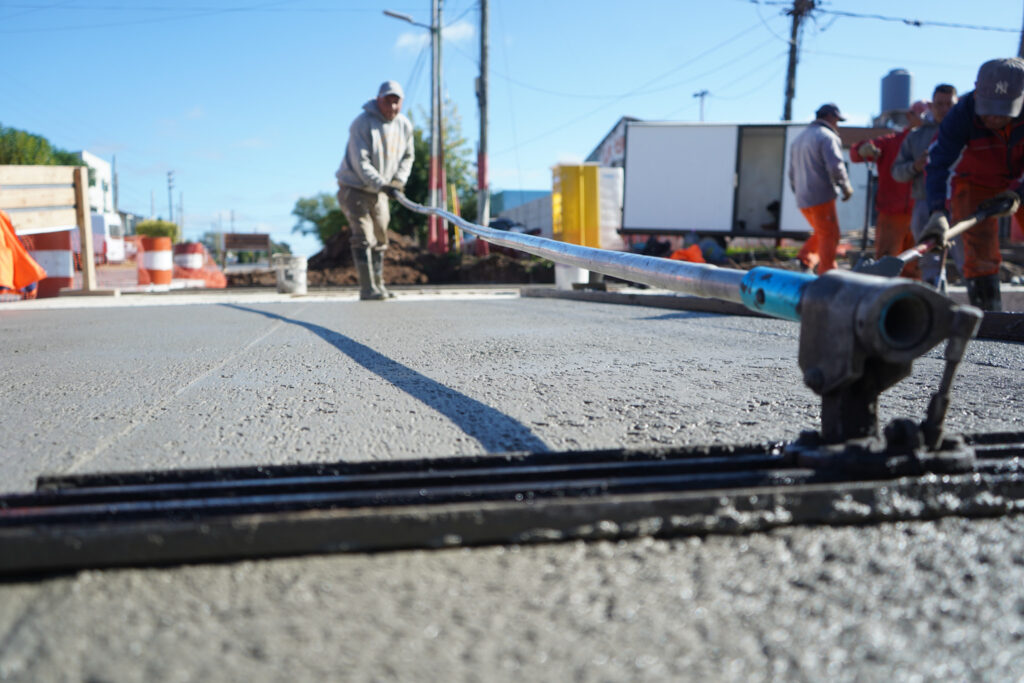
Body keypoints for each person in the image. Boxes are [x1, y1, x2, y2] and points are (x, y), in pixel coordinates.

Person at [924, 58, 1024, 311]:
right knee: (979, 254)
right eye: (989, 109)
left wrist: (1019, 192)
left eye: (1003, 110)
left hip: (1020, 178)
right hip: (976, 182)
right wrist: (937, 211)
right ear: (977, 91)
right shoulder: (961, 114)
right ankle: (990, 319)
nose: (994, 117)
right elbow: (938, 164)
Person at [336, 80, 415, 300]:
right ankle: (367, 288)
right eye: (388, 101)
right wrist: (383, 184)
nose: (392, 107)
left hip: (381, 191)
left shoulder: (404, 125)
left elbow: (408, 157)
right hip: (355, 188)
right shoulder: (362, 123)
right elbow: (361, 163)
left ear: (402, 102)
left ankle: (379, 285)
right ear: (378, 100)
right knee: (363, 235)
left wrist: (398, 181)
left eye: (396, 102)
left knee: (381, 236)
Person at [891, 84, 962, 287]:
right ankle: (933, 295)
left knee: (968, 256)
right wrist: (915, 166)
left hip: (961, 203)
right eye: (939, 104)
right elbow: (897, 172)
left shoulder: (967, 132)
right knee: (929, 258)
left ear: (957, 104)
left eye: (949, 104)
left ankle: (981, 301)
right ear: (931, 106)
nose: (944, 109)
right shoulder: (916, 137)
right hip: (925, 203)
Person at [849, 101, 926, 278]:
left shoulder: (934, 142)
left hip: (920, 213)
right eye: (922, 116)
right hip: (893, 214)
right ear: (910, 117)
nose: (925, 121)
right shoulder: (891, 142)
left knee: (916, 265)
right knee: (886, 263)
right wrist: (862, 149)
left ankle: (911, 294)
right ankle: (884, 293)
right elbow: (855, 153)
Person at [788, 103, 854, 274]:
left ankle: (805, 260)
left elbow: (792, 173)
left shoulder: (799, 139)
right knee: (830, 234)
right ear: (830, 117)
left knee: (821, 231)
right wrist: (845, 186)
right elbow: (835, 166)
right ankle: (826, 271)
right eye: (837, 120)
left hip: (803, 198)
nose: (837, 125)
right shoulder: (827, 136)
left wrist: (797, 191)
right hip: (820, 195)